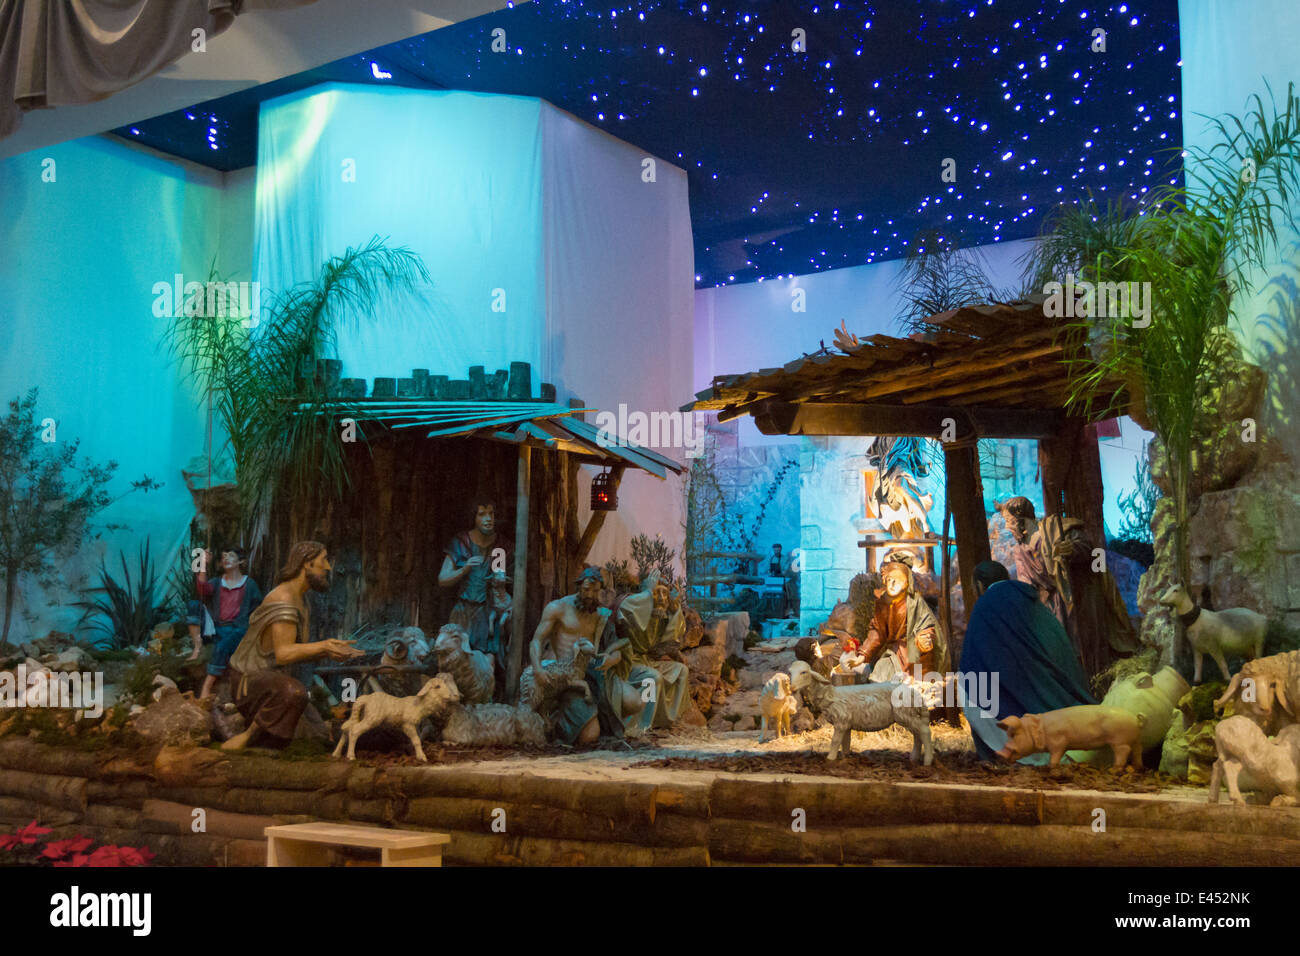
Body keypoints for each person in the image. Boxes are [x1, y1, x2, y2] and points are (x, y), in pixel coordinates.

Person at [221, 541, 363, 751]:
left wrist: (330, 651)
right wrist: (324, 646)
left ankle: (267, 744)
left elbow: (297, 651)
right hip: (248, 681)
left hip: (272, 680)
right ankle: (248, 736)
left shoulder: (302, 600)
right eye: (323, 560)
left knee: (319, 735)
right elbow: (284, 654)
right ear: (307, 564)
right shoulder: (284, 599)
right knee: (294, 693)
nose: (328, 567)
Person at [958, 560, 1098, 762]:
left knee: (969, 689)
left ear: (980, 585)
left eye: (973, 587)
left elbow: (975, 656)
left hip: (1015, 692)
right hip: (1052, 683)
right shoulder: (1031, 599)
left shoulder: (986, 604)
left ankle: (1009, 752)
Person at [1000, 497, 1139, 677]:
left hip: (1077, 599)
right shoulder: (1020, 550)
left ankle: (1095, 682)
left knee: (1084, 647)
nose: (1007, 527)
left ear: (1023, 518)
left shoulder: (1057, 531)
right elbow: (1026, 581)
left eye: (1010, 522)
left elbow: (1089, 550)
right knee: (1061, 654)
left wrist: (1071, 549)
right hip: (1051, 609)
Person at [529, 567, 633, 745]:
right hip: (563, 675)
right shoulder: (558, 608)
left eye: (595, 590)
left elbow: (615, 643)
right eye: (586, 589)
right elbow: (537, 640)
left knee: (634, 701)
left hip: (592, 673)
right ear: (578, 587)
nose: (590, 595)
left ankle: (604, 721)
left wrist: (612, 659)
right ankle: (555, 723)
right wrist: (538, 669)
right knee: (590, 735)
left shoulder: (601, 613)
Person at [605, 574, 690, 734]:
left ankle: (665, 720)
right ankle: (641, 726)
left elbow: (673, 635)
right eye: (657, 592)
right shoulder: (630, 604)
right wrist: (647, 593)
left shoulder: (659, 615)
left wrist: (674, 608)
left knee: (680, 672)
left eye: (665, 594)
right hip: (626, 664)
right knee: (652, 678)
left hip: (647, 661)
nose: (661, 598)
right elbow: (625, 608)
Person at [439, 498, 511, 658]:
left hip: (487, 613)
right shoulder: (461, 542)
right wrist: (464, 570)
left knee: (487, 658)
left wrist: (500, 583)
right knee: (456, 657)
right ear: (474, 517)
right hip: (462, 612)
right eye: (482, 514)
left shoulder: (501, 546)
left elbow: (504, 582)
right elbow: (442, 579)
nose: (488, 519)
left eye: (491, 514)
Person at [860, 556, 947, 682]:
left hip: (915, 654)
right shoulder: (882, 603)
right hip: (895, 653)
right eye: (890, 579)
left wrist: (923, 638)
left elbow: (926, 625)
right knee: (881, 673)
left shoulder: (914, 602)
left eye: (898, 580)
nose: (892, 584)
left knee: (918, 684)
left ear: (906, 583)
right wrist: (863, 653)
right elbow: (878, 631)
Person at [196, 547, 263, 700]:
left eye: (231, 556)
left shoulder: (249, 584)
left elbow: (258, 609)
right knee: (221, 644)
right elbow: (202, 589)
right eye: (224, 556)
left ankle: (207, 685)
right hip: (219, 628)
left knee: (222, 646)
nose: (226, 558)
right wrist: (203, 564)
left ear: (241, 561)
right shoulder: (217, 582)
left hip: (239, 629)